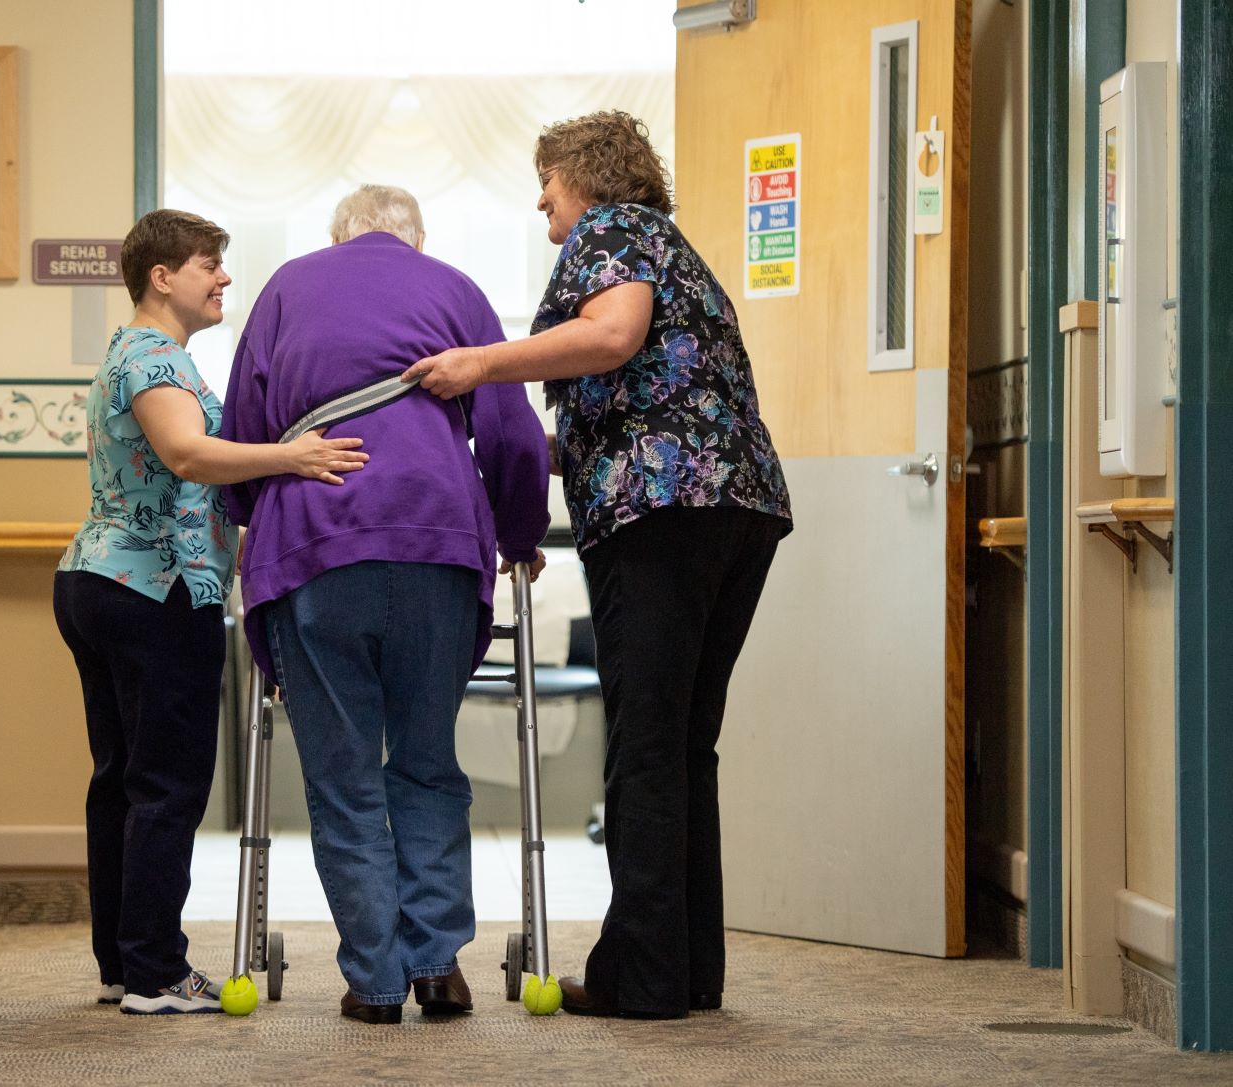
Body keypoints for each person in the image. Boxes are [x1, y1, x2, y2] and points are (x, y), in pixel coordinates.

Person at [405, 111, 793, 1019]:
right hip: (738, 506)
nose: (542, 205)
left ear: (584, 175)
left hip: (660, 509)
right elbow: (638, 383)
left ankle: (643, 980)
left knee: (647, 747)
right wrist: (525, 451)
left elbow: (614, 335)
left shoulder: (612, 229)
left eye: (546, 184)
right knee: (686, 744)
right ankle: (690, 969)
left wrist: (479, 366)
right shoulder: (676, 246)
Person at [221, 184, 550, 1024]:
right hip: (440, 543)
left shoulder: (289, 286)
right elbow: (512, 434)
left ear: (340, 236)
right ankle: (437, 965)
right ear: (417, 239)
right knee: (428, 760)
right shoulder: (455, 289)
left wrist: (250, 521)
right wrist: (517, 535)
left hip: (318, 547)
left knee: (342, 776)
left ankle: (374, 981)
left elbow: (249, 432)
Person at [53, 209, 369, 1016]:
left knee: (123, 780)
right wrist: (291, 457)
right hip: (151, 590)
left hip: (102, 581)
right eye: (208, 265)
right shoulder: (156, 356)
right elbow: (188, 454)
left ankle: (126, 962)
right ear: (163, 277)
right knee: (166, 783)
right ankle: (157, 972)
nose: (224, 278)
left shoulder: (134, 355)